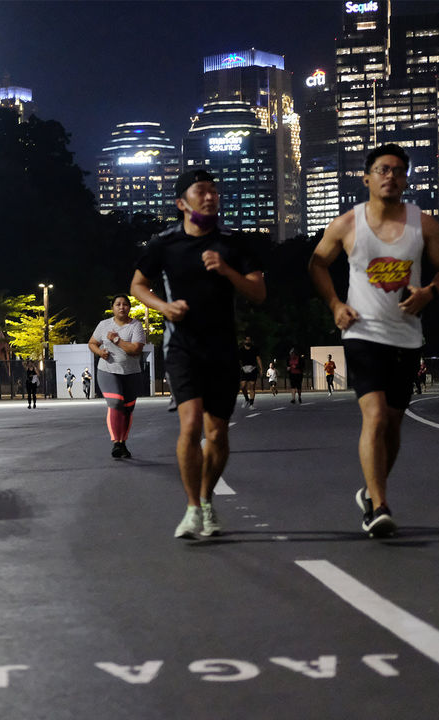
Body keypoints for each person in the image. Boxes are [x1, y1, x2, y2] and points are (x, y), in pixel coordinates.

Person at [309, 143, 439, 538]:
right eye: (382, 169)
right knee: (374, 416)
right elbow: (317, 264)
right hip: (362, 333)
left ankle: (371, 492)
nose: (390, 176)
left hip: (407, 338)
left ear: (406, 178)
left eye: (397, 170)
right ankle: (380, 506)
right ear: (367, 178)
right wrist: (335, 303)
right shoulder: (346, 224)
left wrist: (429, 293)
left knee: (392, 425)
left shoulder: (423, 225)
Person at [131, 169, 266, 538]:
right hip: (182, 346)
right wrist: (163, 307)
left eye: (213, 192)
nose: (210, 197)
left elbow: (258, 292)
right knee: (190, 424)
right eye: (201, 192)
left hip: (222, 347)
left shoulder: (234, 243)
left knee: (217, 433)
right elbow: (138, 285)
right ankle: (192, 509)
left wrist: (227, 271)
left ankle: (206, 500)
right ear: (182, 203)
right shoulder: (164, 244)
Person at [89, 294, 147, 458]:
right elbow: (92, 343)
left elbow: (135, 350)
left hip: (131, 373)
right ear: (112, 308)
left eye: (125, 304)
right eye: (118, 304)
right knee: (115, 403)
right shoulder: (104, 324)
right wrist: (99, 351)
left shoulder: (136, 326)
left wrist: (116, 340)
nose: (122, 307)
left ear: (129, 308)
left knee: (127, 409)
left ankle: (122, 442)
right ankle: (116, 442)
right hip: (107, 370)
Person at [238, 336, 262, 408]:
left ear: (250, 341)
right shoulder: (241, 350)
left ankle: (251, 404)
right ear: (244, 341)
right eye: (246, 340)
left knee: (252, 385)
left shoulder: (254, 349)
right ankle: (246, 399)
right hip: (244, 369)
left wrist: (261, 369)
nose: (248, 341)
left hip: (253, 368)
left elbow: (258, 359)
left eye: (249, 340)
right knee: (242, 386)